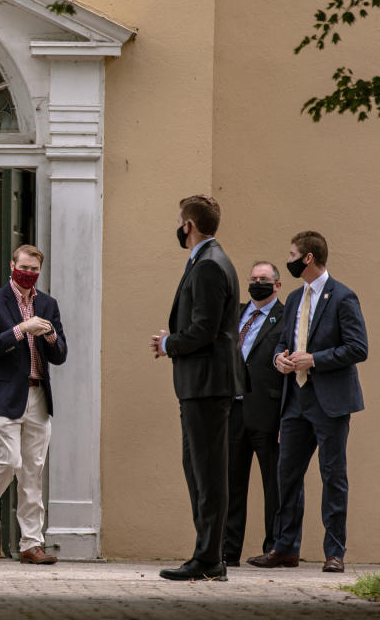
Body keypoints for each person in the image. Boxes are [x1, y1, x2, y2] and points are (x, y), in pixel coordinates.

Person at [247, 231, 367, 574]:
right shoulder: (297, 297)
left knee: (333, 476)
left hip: (330, 403)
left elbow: (358, 348)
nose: (289, 259)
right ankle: (285, 549)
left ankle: (335, 552)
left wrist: (313, 359)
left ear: (308, 258)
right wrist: (279, 360)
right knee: (286, 475)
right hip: (295, 401)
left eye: (292, 254)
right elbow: (282, 342)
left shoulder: (343, 297)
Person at [149, 195, 245, 581]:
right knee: (199, 469)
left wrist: (169, 344)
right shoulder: (209, 260)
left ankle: (209, 560)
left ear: (188, 225)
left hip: (206, 384)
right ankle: (207, 555)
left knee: (207, 472)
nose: (177, 226)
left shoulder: (208, 265)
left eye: (179, 221)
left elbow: (205, 329)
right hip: (201, 384)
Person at [0, 244, 66, 565]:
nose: (29, 273)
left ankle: (31, 544)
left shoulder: (48, 304)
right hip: (2, 395)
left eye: (34, 269)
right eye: (24, 267)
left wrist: (50, 338)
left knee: (33, 471)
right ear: (12, 265)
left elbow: (60, 355)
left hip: (38, 396)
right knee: (8, 460)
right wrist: (21, 330)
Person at [223, 262, 284, 567]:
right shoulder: (236, 313)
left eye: (264, 279)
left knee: (273, 484)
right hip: (233, 409)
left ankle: (275, 547)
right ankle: (227, 550)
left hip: (268, 411)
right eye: (254, 279)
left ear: (277, 285)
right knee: (231, 482)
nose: (258, 283)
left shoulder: (286, 318)